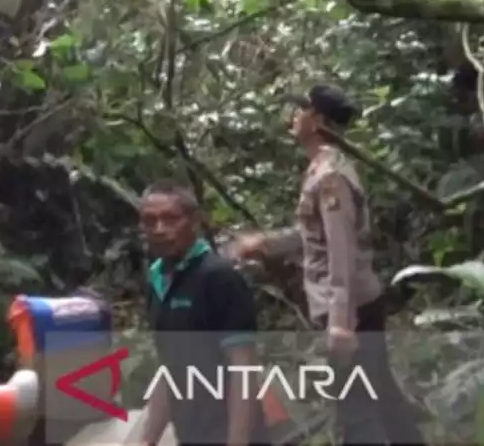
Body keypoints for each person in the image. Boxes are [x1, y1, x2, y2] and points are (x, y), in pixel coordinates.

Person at [230, 85, 426, 446]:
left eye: (301, 109)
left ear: (317, 120)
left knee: (356, 411)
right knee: (381, 396)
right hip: (355, 307)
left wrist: (340, 324)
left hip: (352, 311)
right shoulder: (322, 169)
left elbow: (342, 252)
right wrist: (265, 244)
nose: (294, 116)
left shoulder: (331, 176)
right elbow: (315, 236)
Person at [138, 181, 264, 446]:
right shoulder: (157, 280)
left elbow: (243, 369)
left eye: (170, 219)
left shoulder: (218, 278)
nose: (159, 229)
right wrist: (146, 441)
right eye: (150, 221)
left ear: (194, 221)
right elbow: (170, 369)